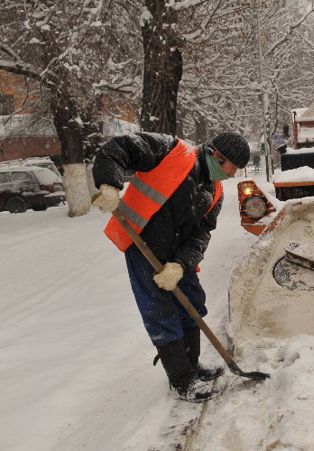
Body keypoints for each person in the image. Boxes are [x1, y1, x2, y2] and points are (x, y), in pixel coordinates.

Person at [91, 132, 249, 402]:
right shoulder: (171, 151)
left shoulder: (215, 191)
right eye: (231, 168)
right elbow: (118, 149)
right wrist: (109, 184)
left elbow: (202, 234)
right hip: (141, 244)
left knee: (192, 301)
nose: (232, 175)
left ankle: (192, 366)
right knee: (161, 311)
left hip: (176, 256)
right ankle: (181, 379)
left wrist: (179, 264)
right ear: (217, 156)